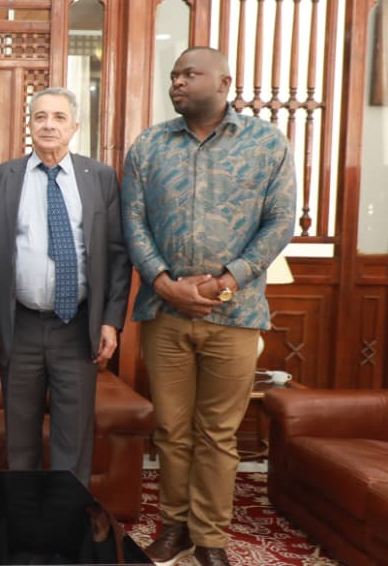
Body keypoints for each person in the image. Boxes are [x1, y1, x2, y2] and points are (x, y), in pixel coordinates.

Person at [122, 46, 296, 566]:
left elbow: (280, 221)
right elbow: (133, 221)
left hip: (236, 315)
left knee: (218, 434)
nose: (177, 82)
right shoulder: (149, 144)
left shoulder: (267, 143)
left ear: (223, 82)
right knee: (171, 431)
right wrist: (164, 283)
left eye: (189, 74)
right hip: (164, 314)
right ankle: (173, 528)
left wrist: (227, 281)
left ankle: (211, 538)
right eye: (174, 75)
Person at [0, 86, 131, 485]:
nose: (49, 125)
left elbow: (117, 253)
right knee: (20, 436)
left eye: (59, 117)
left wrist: (111, 321)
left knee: (73, 438)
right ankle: (24, 515)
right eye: (40, 116)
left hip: (78, 326)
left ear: (75, 126)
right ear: (29, 124)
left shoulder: (99, 178)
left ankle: (65, 516)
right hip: (19, 325)